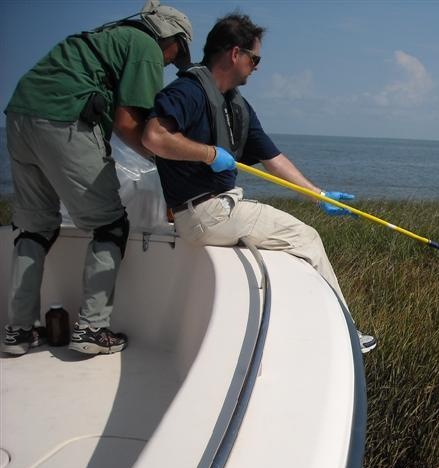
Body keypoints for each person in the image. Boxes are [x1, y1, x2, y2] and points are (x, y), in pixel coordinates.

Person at [142, 13, 377, 354]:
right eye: (255, 58)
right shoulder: (189, 92)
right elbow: (153, 136)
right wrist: (209, 154)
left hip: (217, 211)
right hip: (206, 213)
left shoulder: (236, 105)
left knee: (291, 235)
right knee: (307, 238)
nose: (257, 67)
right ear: (235, 54)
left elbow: (274, 159)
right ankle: (347, 335)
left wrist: (320, 196)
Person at [2, 0, 193, 356]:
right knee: (110, 224)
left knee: (34, 227)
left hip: (18, 116)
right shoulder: (145, 46)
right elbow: (128, 125)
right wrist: (170, 162)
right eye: (176, 53)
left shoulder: (105, 37)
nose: (169, 62)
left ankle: (18, 331)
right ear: (170, 37)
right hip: (64, 120)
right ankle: (92, 328)